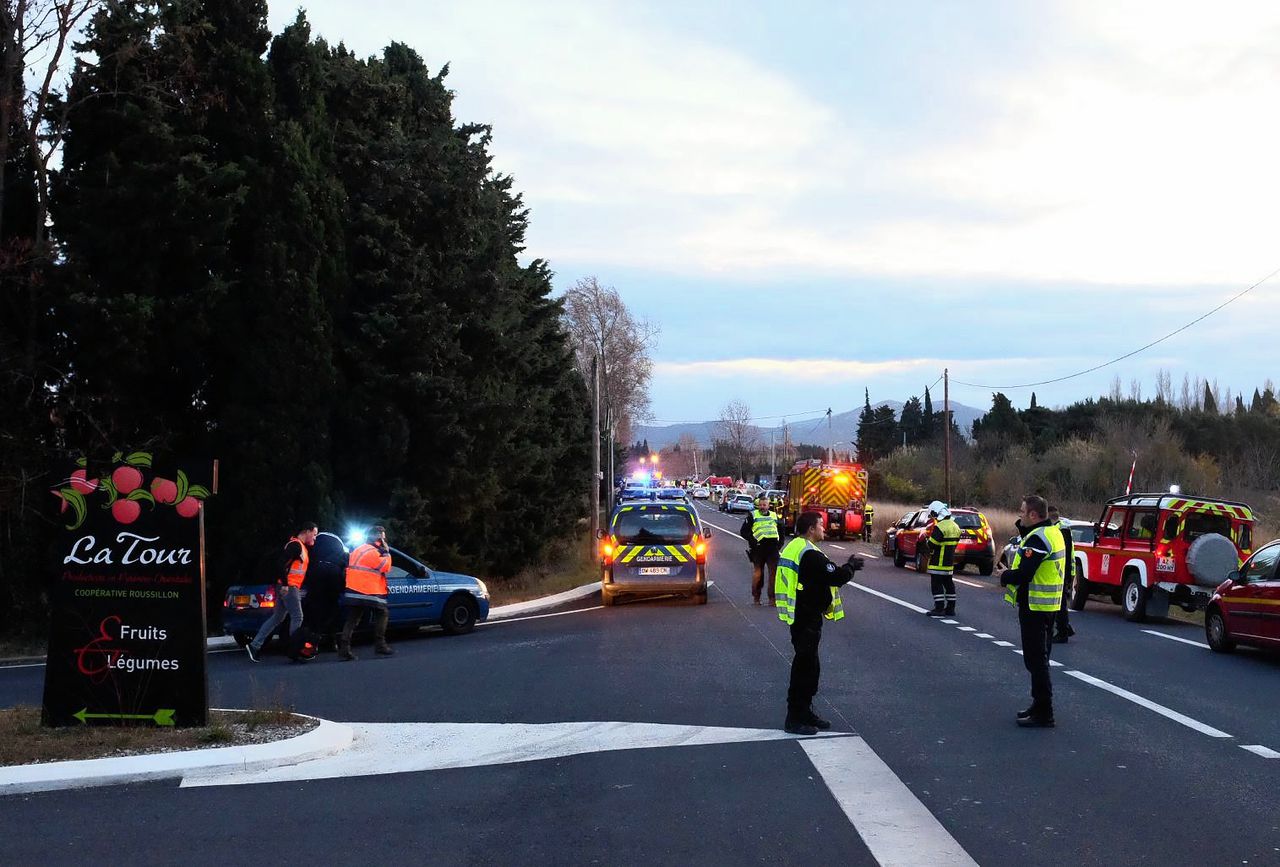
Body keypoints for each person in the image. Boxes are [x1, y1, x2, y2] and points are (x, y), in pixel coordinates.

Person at [775, 511, 864, 735]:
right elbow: (836, 576)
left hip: (802, 616)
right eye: (821, 525)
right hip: (806, 618)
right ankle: (795, 719)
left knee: (810, 667)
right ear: (811, 529)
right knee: (804, 669)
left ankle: (805, 712)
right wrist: (851, 566)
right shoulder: (810, 554)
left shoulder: (796, 546)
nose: (824, 528)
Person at [999, 495, 1066, 727]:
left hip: (1036, 606)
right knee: (1039, 660)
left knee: (1036, 661)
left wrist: (1004, 576)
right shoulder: (1052, 532)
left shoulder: (1038, 539)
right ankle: (1038, 705)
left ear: (1033, 515)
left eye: (1022, 512)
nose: (1019, 515)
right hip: (1048, 606)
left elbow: (1025, 573)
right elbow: (1026, 536)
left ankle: (1044, 712)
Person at [246, 522, 318, 663]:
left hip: (285, 586)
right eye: (314, 534)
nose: (315, 538)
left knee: (277, 617)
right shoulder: (295, 546)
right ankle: (296, 650)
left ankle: (255, 646)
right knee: (297, 616)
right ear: (307, 531)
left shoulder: (298, 546)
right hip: (289, 587)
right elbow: (280, 563)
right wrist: (285, 584)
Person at [339, 525, 394, 661]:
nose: (385, 539)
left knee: (352, 619)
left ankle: (344, 649)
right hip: (368, 591)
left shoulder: (358, 549)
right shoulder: (373, 552)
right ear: (378, 537)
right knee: (383, 613)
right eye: (383, 536)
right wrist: (387, 552)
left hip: (353, 590)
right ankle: (380, 645)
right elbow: (385, 567)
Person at [740, 496, 784, 605]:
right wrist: (753, 542)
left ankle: (772, 599)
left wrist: (779, 545)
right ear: (758, 505)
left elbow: (781, 531)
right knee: (758, 574)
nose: (762, 507)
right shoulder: (752, 515)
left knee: (774, 575)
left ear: (769, 505)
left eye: (765, 505)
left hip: (772, 549)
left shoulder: (774, 516)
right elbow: (744, 531)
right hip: (758, 549)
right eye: (761, 505)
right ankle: (756, 597)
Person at [923, 501, 961, 617]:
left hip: (938, 562)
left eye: (933, 515)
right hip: (949, 562)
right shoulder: (955, 526)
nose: (934, 518)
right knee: (949, 584)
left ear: (937, 513)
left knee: (936, 584)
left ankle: (938, 608)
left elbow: (932, 544)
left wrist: (927, 540)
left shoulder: (940, 527)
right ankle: (950, 608)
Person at [1047, 505, 1076, 644]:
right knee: (1059, 603)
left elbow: (1062, 554)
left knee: (1059, 604)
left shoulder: (1060, 530)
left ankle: (1063, 631)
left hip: (1060, 571)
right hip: (1063, 571)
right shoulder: (1062, 528)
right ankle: (1065, 627)